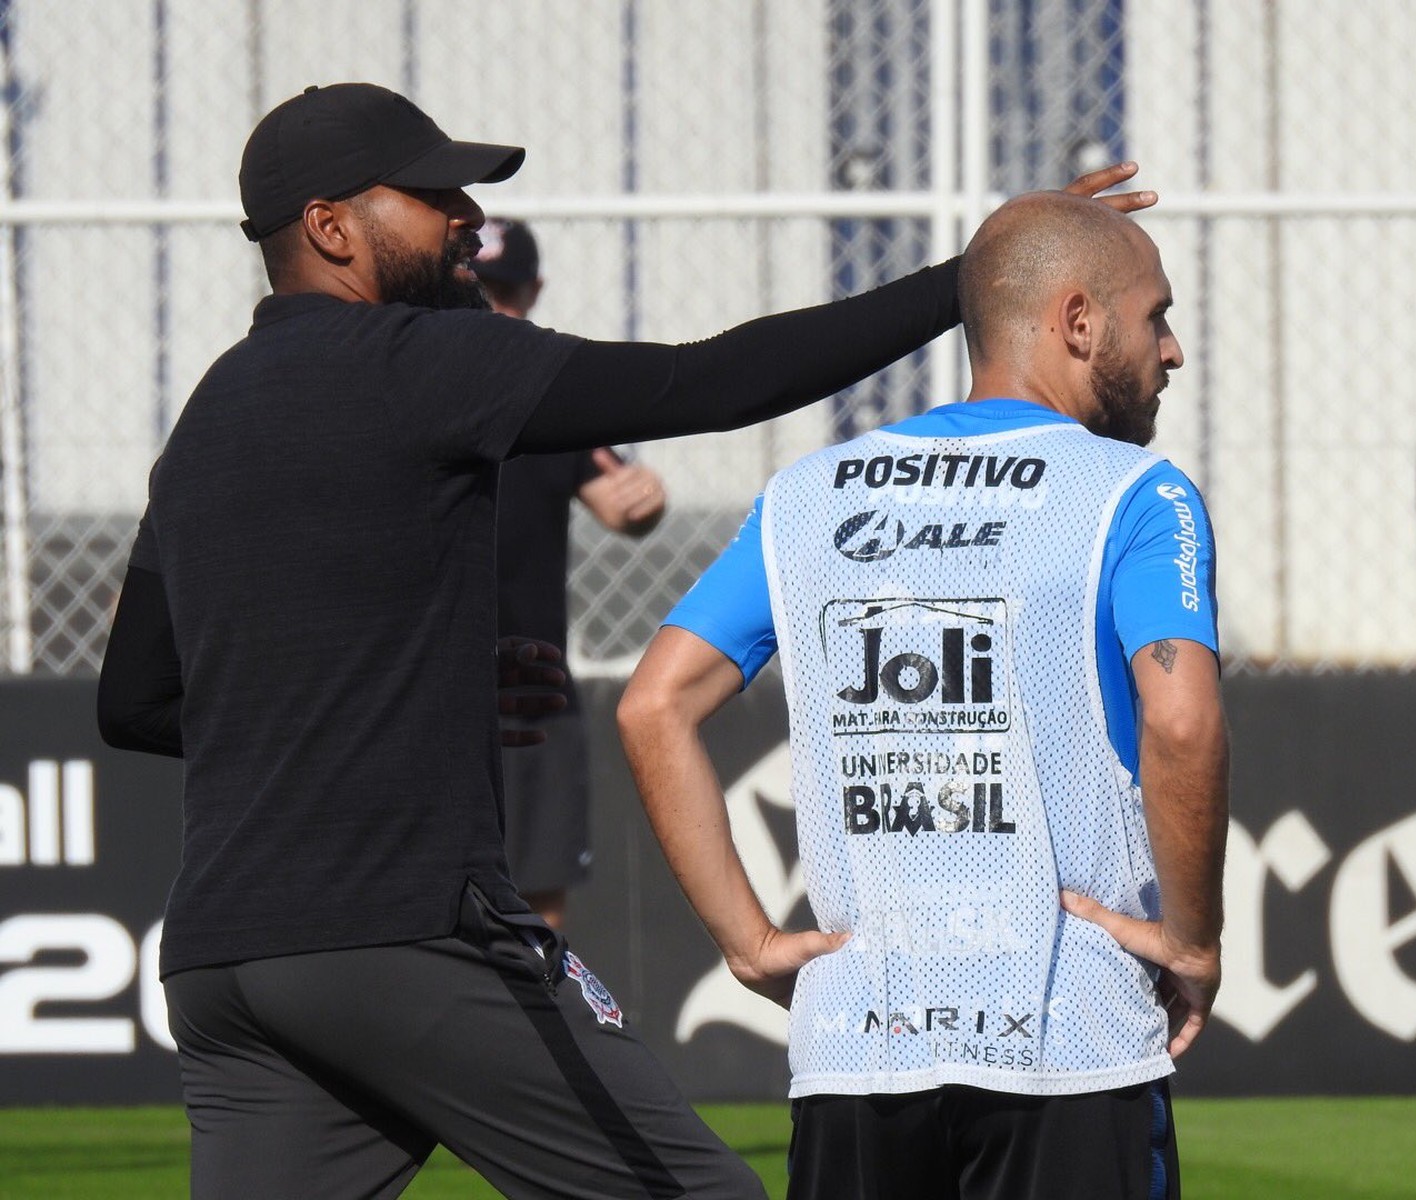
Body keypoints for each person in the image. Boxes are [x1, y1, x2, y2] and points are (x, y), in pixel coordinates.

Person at [93, 81, 1154, 1199]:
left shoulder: (206, 415)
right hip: (405, 931)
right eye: (432, 192)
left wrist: (390, 699)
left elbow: (136, 702)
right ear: (330, 226)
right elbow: (713, 380)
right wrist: (970, 282)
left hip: (225, 962)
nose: (464, 215)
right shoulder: (415, 361)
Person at [618, 191, 1227, 1200]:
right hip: (1070, 1034)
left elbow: (652, 705)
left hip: (859, 1043)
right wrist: (1193, 940)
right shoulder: (1135, 494)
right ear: (1078, 322)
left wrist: (749, 941)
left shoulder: (808, 495)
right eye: (1154, 315)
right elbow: (1181, 714)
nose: (1169, 351)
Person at [473, 216, 668, 928]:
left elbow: (621, 504)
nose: (492, 309)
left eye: (504, 292)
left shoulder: (546, 400)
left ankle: (528, 1037)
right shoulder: (417, 386)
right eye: (475, 289)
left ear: (533, 292)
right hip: (428, 680)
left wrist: (644, 500)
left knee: (537, 897)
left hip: (528, 683)